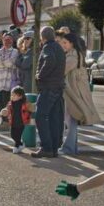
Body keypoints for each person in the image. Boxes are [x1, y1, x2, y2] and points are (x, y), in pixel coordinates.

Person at [57, 30, 101, 156]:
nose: (63, 45)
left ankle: (69, 148)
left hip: (73, 91)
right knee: (71, 119)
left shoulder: (73, 56)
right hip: (75, 90)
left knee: (71, 119)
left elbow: (62, 70)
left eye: (65, 43)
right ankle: (71, 148)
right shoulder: (74, 54)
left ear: (71, 43)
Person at [32, 26, 66, 158]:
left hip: (48, 87)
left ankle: (46, 147)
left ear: (43, 37)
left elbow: (50, 60)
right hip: (58, 87)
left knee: (40, 117)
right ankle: (53, 148)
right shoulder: (59, 47)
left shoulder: (48, 47)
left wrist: (40, 75)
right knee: (54, 118)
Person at [0, 33, 19, 110]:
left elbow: (10, 63)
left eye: (9, 40)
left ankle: (6, 120)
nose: (7, 41)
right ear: (2, 41)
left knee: (7, 103)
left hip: (8, 82)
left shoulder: (15, 51)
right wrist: (2, 63)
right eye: (5, 40)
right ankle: (2, 119)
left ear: (12, 41)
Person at [0, 86, 31, 154]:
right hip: (13, 122)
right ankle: (21, 144)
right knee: (13, 135)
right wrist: (3, 111)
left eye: (14, 95)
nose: (12, 96)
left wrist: (30, 111)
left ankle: (16, 146)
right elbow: (7, 109)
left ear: (20, 96)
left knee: (18, 135)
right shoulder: (10, 103)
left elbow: (29, 110)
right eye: (11, 95)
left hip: (21, 123)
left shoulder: (24, 104)